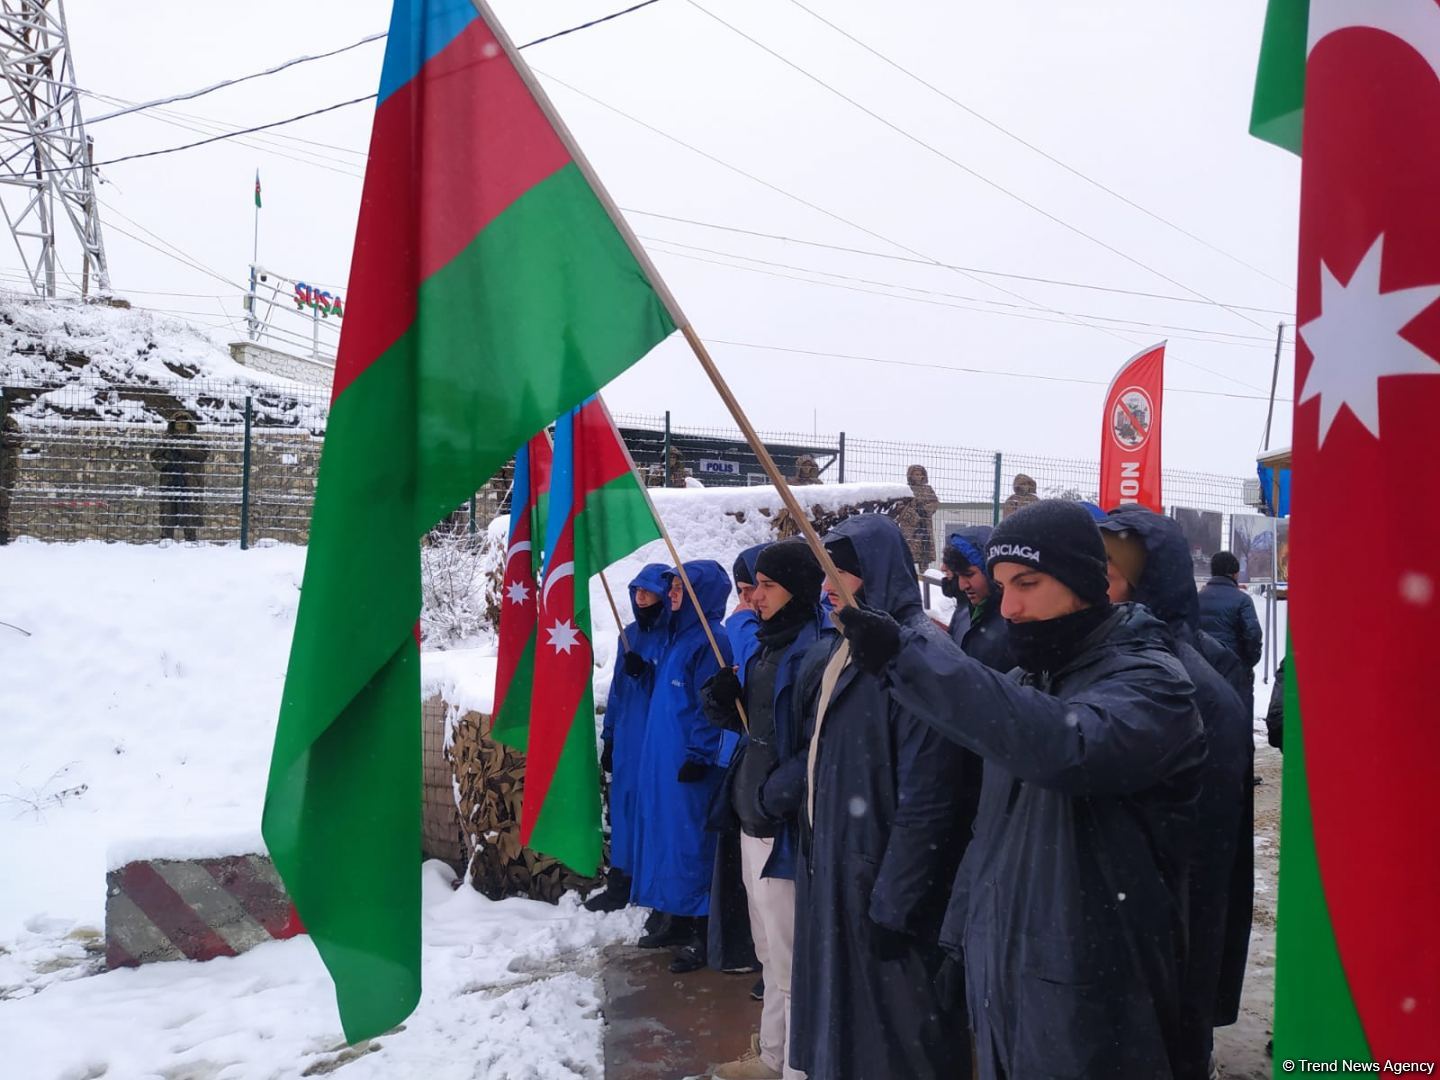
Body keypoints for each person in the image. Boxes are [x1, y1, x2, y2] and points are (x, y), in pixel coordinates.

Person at [837, 500, 1206, 1079]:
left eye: (1028, 584)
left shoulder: (1153, 684)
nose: (1009, 607)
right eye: (1004, 586)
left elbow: (1068, 747)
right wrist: (961, 940)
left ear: (1085, 583)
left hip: (1096, 999)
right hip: (1007, 981)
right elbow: (991, 835)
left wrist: (912, 662)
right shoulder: (1026, 681)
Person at [783, 514, 973, 1080]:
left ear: (877, 573)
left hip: (884, 892)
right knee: (849, 1037)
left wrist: (896, 903)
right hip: (842, 874)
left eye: (839, 572)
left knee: (896, 1043)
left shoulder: (920, 657)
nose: (826, 587)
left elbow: (933, 800)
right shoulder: (845, 650)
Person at [1099, 510, 1254, 1079]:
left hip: (1161, 912)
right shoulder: (1111, 656)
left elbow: (1203, 853)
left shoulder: (1190, 680)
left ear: (1147, 581)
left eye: (1107, 571)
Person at [701, 540, 829, 1080]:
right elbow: (759, 728)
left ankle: (798, 1066)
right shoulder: (766, 646)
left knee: (793, 958)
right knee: (769, 952)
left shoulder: (817, 651)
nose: (755, 597)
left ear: (796, 589)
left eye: (768, 586)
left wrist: (780, 790)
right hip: (751, 818)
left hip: (787, 830)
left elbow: (819, 741)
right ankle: (774, 1056)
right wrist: (721, 701)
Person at [630, 561, 735, 973]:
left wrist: (701, 754)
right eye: (671, 588)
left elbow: (711, 706)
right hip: (664, 757)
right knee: (668, 839)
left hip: (690, 762)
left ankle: (702, 930)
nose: (671, 595)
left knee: (694, 845)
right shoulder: (675, 638)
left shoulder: (711, 641)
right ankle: (675, 916)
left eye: (680, 589)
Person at [586, 564, 671, 914]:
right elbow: (618, 692)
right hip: (628, 739)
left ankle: (654, 882)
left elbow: (672, 692)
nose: (641, 598)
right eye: (637, 591)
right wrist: (610, 736)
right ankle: (621, 880)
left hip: (657, 738)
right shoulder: (629, 636)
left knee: (655, 812)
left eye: (648, 591)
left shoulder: (672, 637)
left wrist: (647, 674)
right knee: (624, 810)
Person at [940, 527, 1015, 673]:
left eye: (969, 574)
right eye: (958, 575)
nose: (962, 585)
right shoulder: (964, 611)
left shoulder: (1014, 624)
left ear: (991, 572)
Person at [1199, 552, 1263, 698]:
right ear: (1235, 574)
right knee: (1237, 710)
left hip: (1202, 672)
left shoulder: (1196, 598)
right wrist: (1245, 664)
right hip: (1234, 674)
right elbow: (1253, 635)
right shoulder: (1243, 600)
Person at [151, 415, 208, 542]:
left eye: (184, 422)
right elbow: (155, 458)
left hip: (190, 482)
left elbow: (203, 455)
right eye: (178, 423)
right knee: (168, 511)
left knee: (190, 512)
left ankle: (191, 541)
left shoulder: (196, 440)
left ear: (189, 424)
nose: (181, 425)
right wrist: (167, 465)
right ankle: (166, 541)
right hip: (170, 481)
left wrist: (184, 449)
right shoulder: (166, 440)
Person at [899, 464, 940, 568]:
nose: (918, 477)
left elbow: (935, 503)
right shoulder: (905, 490)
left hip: (925, 526)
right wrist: (915, 516)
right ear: (910, 475)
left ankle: (925, 574)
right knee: (909, 554)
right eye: (915, 474)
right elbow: (902, 507)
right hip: (911, 528)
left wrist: (925, 509)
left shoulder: (928, 489)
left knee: (925, 553)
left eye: (920, 474)